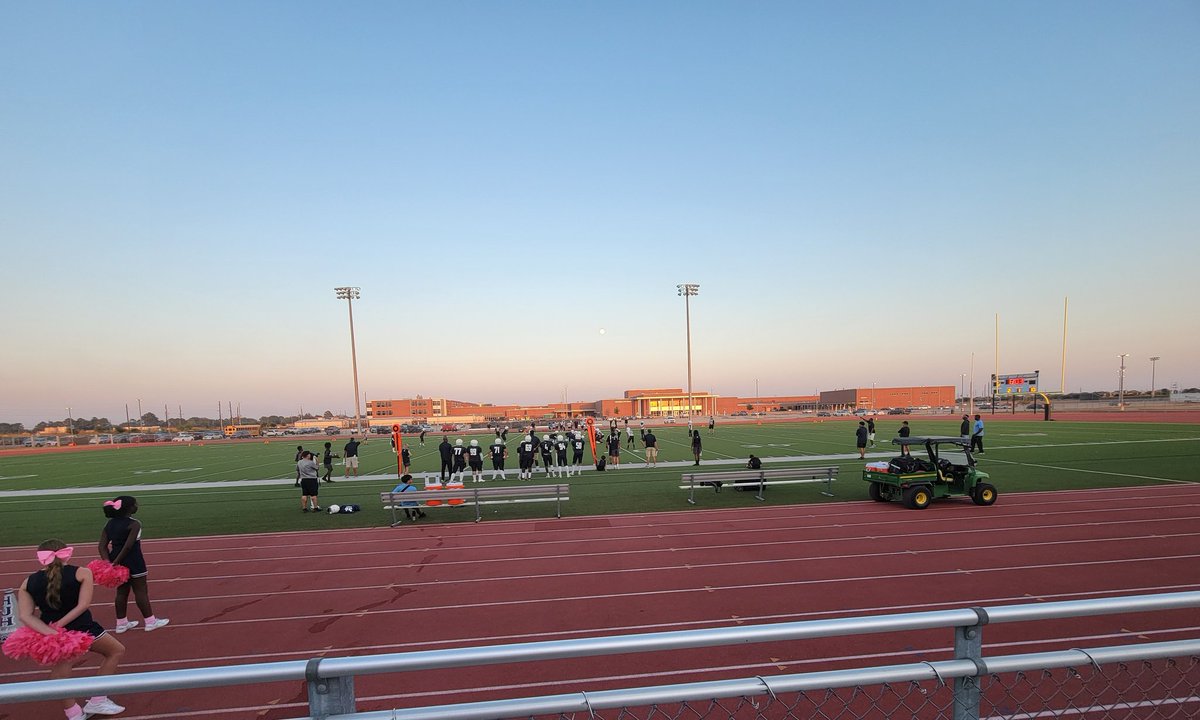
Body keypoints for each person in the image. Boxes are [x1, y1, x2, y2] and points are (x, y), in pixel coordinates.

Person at [17, 539, 127, 719]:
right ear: (67, 553)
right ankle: (98, 699)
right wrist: (61, 625)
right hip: (84, 628)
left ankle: (73, 713)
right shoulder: (82, 572)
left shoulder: (28, 582)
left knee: (61, 671)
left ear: (41, 558)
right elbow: (83, 605)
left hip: (52, 633)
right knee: (115, 651)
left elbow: (25, 616)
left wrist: (51, 631)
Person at [98, 496, 170, 632]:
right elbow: (128, 546)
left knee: (121, 592)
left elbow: (102, 546)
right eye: (135, 504)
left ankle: (121, 623)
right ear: (129, 508)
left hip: (116, 561)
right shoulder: (134, 524)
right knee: (141, 591)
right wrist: (115, 562)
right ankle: (150, 621)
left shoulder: (109, 524)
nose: (137, 505)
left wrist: (108, 563)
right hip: (134, 561)